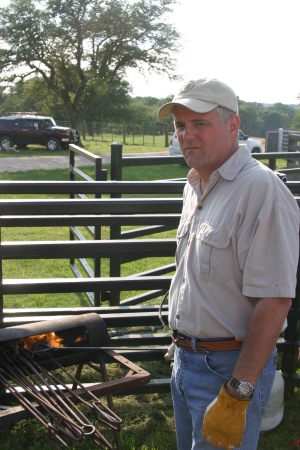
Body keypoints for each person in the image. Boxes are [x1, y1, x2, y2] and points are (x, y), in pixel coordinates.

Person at [157, 78, 300, 450]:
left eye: (199, 124)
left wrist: (239, 389)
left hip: (228, 371)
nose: (187, 135)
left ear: (233, 125)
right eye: (180, 125)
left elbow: (275, 301)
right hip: (187, 362)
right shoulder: (196, 185)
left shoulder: (261, 190)